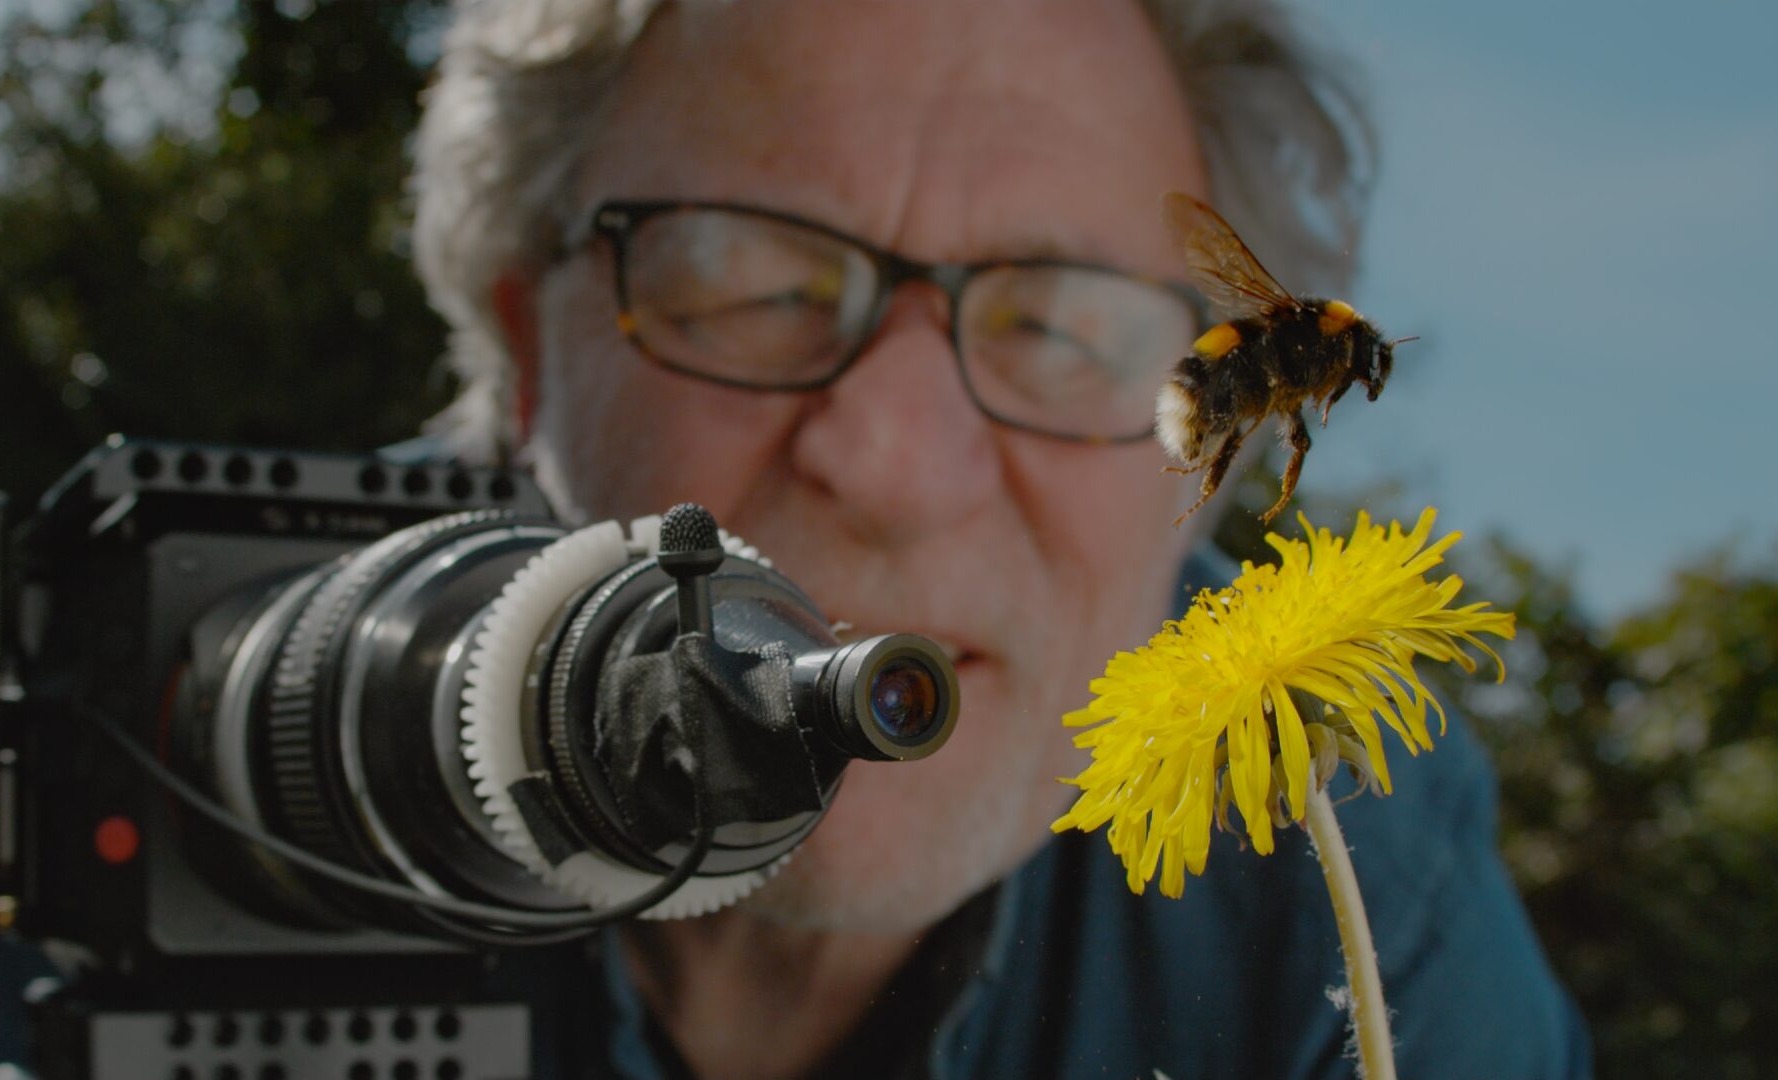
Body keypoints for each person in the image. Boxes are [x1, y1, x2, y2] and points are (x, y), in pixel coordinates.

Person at [407, 0, 1592, 1078]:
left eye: (1065, 326)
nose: (896, 468)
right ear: (528, 354)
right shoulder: (239, 662)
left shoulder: (1354, 872)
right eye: (750, 281)